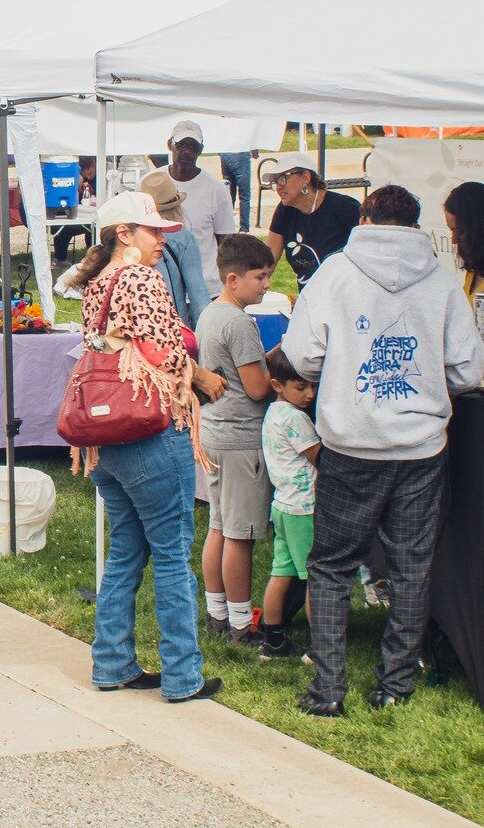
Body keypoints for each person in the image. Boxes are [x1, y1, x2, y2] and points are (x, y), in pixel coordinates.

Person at [283, 184, 484, 717]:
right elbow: (469, 367)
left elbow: (302, 355)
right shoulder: (441, 281)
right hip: (418, 447)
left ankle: (328, 688)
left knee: (330, 566)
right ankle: (395, 684)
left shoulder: (335, 273)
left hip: (352, 441)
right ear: (416, 225)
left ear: (365, 219)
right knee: (411, 565)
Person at [74, 190, 227, 705]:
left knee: (125, 554)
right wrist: (201, 373)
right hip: (151, 431)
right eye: (152, 230)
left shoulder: (95, 281)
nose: (162, 239)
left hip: (106, 439)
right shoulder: (140, 278)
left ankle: (112, 663)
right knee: (170, 552)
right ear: (124, 234)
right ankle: (184, 675)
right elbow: (164, 353)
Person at [196, 233, 281, 644]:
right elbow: (257, 390)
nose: (266, 284)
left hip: (215, 431)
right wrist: (277, 375)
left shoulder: (213, 313)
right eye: (260, 277)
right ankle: (241, 624)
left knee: (218, 525)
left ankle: (216, 613)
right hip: (241, 438)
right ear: (233, 279)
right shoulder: (240, 322)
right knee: (240, 534)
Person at [257, 348, 320, 662]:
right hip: (304, 509)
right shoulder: (297, 419)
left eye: (312, 385)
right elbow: (318, 457)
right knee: (315, 577)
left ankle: (273, 640)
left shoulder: (273, 412)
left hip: (281, 505)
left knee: (280, 573)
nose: (309, 393)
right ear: (277, 385)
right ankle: (322, 646)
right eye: (301, 387)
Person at [164, 120, 235, 295]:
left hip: (206, 289)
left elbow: (225, 240)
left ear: (201, 150)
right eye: (181, 145)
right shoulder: (152, 183)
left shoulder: (216, 188)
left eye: (193, 146)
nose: (187, 151)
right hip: (163, 288)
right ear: (170, 145)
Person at [267, 165, 361, 288]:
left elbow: (369, 250)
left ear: (306, 177)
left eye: (282, 178)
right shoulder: (285, 211)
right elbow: (268, 258)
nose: (279, 187)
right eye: (275, 182)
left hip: (345, 296)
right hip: (309, 299)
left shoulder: (345, 207)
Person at [138, 170, 210, 328]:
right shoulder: (183, 238)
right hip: (173, 327)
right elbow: (198, 294)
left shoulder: (133, 237)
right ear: (177, 206)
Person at [219, 147, 256, 233]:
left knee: (228, 193)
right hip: (241, 153)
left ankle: (227, 226)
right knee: (244, 195)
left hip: (225, 153)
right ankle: (244, 228)